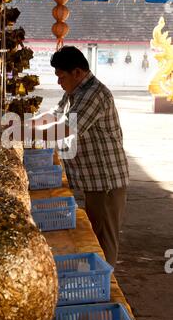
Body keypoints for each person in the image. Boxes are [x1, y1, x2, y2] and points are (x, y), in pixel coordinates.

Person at [27, 46, 129, 266]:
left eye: (61, 77)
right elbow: (54, 115)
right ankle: (98, 275)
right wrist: (24, 124)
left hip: (107, 181)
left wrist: (24, 133)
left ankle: (106, 285)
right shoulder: (75, 92)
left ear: (77, 72)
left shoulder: (94, 94)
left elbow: (67, 128)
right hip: (93, 180)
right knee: (94, 232)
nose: (59, 82)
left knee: (103, 239)